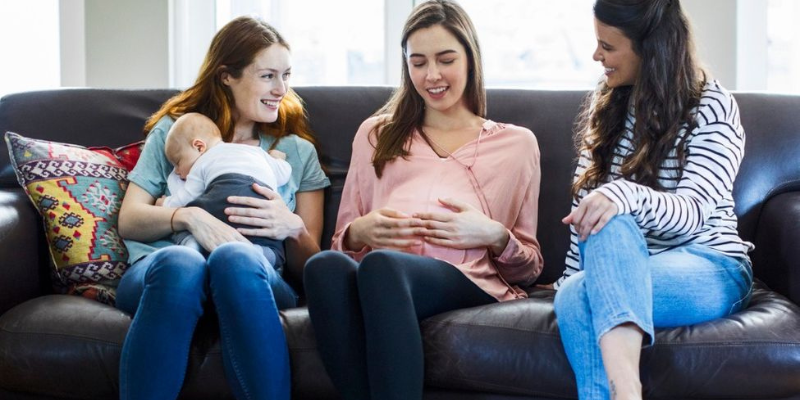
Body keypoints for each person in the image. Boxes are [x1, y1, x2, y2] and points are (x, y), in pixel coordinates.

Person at [304, 1, 543, 399]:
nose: (431, 75)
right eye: (418, 62)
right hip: (378, 274)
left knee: (382, 266)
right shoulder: (375, 134)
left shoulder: (516, 144)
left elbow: (530, 269)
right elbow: (340, 244)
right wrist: (358, 231)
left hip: (462, 278)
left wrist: (493, 234)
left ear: (470, 58)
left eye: (445, 59)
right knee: (324, 267)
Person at [116, 16, 330, 400]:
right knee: (183, 264)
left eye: (286, 76)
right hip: (164, 270)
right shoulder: (178, 133)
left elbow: (310, 267)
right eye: (267, 76)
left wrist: (292, 227)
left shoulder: (296, 152)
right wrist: (189, 217)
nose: (281, 89)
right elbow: (130, 220)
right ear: (226, 75)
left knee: (235, 258)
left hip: (255, 276)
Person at [551, 1, 754, 399]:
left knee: (604, 240)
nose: (597, 56)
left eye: (607, 46)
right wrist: (569, 275)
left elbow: (694, 212)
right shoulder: (608, 104)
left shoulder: (712, 107)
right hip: (621, 264)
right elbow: (586, 210)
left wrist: (624, 193)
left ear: (651, 47)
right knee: (575, 290)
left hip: (709, 264)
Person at [159, 112, 291, 267]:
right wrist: (278, 159)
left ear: (199, 146)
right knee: (272, 246)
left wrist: (165, 204)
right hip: (260, 210)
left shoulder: (202, 162)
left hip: (222, 203)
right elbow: (284, 174)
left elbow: (187, 196)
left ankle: (192, 247)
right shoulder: (257, 152)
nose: (177, 171)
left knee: (188, 223)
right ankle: (259, 253)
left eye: (178, 162)